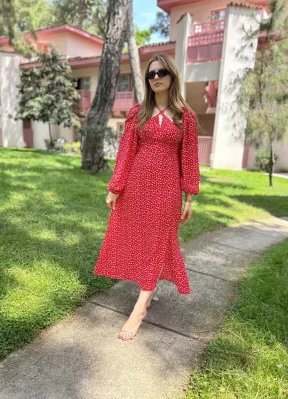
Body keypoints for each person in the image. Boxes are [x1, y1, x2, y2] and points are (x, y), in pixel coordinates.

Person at [93, 53, 200, 341]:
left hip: (167, 190)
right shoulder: (137, 113)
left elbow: (189, 159)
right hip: (136, 186)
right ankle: (148, 291)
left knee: (159, 241)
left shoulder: (185, 116)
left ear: (172, 76)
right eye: (151, 74)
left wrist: (189, 197)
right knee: (141, 241)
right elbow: (126, 152)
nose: (156, 78)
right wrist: (116, 187)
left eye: (162, 72)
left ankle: (139, 308)